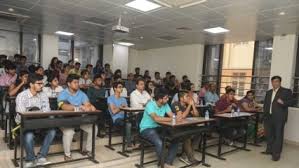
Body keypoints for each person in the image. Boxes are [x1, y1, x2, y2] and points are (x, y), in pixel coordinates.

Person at [15, 74, 56, 167]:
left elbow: (47, 111)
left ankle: (41, 157)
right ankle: (30, 159)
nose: (42, 86)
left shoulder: (43, 95)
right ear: (31, 84)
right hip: (24, 124)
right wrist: (36, 112)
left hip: (40, 122)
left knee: (52, 131)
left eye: (42, 84)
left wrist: (36, 113)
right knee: (29, 136)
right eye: (39, 84)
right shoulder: (22, 96)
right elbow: (22, 114)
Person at [57, 74, 97, 161]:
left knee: (94, 128)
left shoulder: (81, 94)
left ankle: (88, 150)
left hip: (79, 119)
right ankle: (67, 154)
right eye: (75, 82)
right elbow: (64, 107)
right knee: (69, 132)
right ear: (68, 84)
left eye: (78, 82)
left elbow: (88, 105)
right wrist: (79, 107)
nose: (77, 84)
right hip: (65, 120)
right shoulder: (62, 93)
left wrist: (89, 107)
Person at [139, 88, 179, 168]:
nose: (167, 99)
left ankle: (168, 162)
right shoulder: (150, 105)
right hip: (146, 129)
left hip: (159, 127)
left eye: (167, 98)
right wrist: (173, 118)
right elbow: (156, 118)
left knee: (175, 138)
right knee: (159, 142)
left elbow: (172, 115)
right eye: (165, 98)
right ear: (160, 99)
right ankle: (162, 164)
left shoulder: (165, 105)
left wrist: (176, 116)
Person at [262, 76, 295, 161]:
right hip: (268, 117)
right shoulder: (269, 92)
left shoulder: (286, 91)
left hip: (279, 118)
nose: (275, 83)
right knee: (269, 135)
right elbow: (266, 104)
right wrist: (264, 115)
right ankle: (269, 150)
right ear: (271, 82)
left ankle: (276, 154)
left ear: (280, 82)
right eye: (273, 81)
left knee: (278, 136)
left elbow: (292, 101)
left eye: (277, 81)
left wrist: (283, 102)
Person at [171, 91, 199, 164]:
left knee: (198, 134)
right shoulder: (176, 104)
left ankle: (185, 155)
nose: (189, 98)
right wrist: (190, 105)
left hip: (187, 126)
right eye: (187, 96)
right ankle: (190, 158)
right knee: (187, 136)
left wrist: (192, 105)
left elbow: (196, 115)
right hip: (177, 127)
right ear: (181, 98)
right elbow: (182, 116)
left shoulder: (187, 104)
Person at [107, 82, 133, 149]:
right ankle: (129, 144)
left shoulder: (123, 99)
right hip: (116, 119)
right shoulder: (110, 98)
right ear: (115, 88)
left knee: (137, 119)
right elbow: (113, 112)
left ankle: (138, 141)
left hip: (125, 117)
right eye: (119, 87)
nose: (121, 88)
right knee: (128, 124)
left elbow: (126, 111)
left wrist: (119, 108)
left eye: (122, 87)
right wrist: (121, 108)